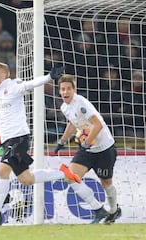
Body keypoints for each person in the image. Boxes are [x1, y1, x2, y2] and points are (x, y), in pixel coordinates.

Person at [0, 55, 80, 225]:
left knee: (3, 171)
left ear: (4, 74)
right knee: (27, 179)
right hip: (8, 140)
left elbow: (31, 84)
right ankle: (64, 173)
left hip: (18, 138)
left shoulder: (14, 86)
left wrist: (49, 77)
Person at [54, 74, 121, 224]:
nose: (65, 92)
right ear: (59, 91)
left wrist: (87, 142)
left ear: (74, 89)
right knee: (70, 176)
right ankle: (98, 209)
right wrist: (62, 141)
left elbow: (98, 125)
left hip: (104, 148)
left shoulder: (82, 104)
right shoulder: (64, 107)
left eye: (69, 89)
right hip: (87, 149)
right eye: (63, 89)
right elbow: (73, 123)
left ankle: (114, 210)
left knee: (106, 184)